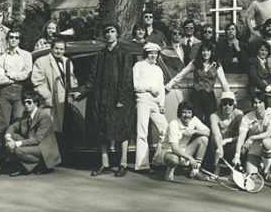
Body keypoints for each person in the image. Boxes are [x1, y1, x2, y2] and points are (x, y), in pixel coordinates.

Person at [86, 23, 135, 177]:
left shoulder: (124, 53)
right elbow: (93, 77)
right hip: (102, 98)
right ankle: (105, 163)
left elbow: (126, 78)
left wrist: (121, 98)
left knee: (121, 131)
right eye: (106, 32)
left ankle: (123, 163)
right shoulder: (100, 54)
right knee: (103, 131)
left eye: (112, 32)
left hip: (119, 99)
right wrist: (82, 91)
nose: (109, 35)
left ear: (117, 34)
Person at [165, 40, 231, 124]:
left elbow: (224, 83)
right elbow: (182, 74)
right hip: (197, 95)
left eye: (208, 50)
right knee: (196, 119)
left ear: (211, 52)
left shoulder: (216, 65)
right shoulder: (195, 63)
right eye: (203, 50)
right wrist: (170, 84)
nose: (205, 53)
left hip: (209, 95)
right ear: (201, 52)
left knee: (211, 119)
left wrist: (229, 96)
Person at [31, 37, 79, 150]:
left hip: (64, 102)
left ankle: (60, 159)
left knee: (63, 131)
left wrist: (74, 90)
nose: (59, 51)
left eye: (61, 49)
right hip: (50, 102)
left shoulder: (67, 61)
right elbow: (37, 82)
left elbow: (71, 79)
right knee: (48, 132)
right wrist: (47, 96)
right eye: (56, 48)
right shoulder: (41, 61)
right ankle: (48, 161)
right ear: (51, 48)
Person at [3, 94, 61, 176]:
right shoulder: (26, 114)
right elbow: (13, 126)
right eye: (24, 103)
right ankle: (29, 165)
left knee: (18, 150)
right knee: (12, 136)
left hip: (43, 147)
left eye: (29, 102)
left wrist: (16, 144)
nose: (26, 104)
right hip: (32, 142)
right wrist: (8, 138)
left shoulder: (43, 116)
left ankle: (41, 163)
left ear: (36, 103)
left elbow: (37, 139)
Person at [0, 28, 33, 146]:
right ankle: (1, 156)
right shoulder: (2, 57)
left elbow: (27, 74)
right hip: (5, 92)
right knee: (2, 124)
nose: (13, 40)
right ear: (7, 39)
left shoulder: (26, 55)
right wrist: (17, 76)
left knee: (19, 122)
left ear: (20, 40)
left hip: (20, 92)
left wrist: (10, 75)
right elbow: (0, 79)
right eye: (11, 37)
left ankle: (17, 154)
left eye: (16, 37)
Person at [133, 42, 168, 173]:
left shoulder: (158, 69)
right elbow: (136, 84)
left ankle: (158, 160)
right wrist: (149, 88)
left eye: (155, 53)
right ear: (146, 54)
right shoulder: (139, 65)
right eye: (150, 53)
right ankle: (142, 165)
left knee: (165, 129)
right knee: (142, 132)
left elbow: (161, 88)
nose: (153, 55)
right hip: (143, 100)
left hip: (155, 103)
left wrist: (162, 104)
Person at [155, 100, 210, 182]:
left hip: (183, 151)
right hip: (167, 153)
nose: (187, 115)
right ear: (180, 113)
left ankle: (195, 172)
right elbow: (174, 148)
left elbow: (208, 132)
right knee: (174, 159)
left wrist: (195, 131)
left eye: (189, 112)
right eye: (184, 112)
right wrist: (190, 158)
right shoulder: (173, 124)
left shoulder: (193, 119)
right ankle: (170, 169)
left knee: (204, 139)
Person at [234, 95, 271, 179]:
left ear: (265, 103)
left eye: (260, 102)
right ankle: (260, 166)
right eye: (255, 103)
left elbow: (268, 133)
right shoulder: (246, 118)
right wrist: (237, 156)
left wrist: (251, 138)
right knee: (252, 176)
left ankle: (267, 170)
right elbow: (241, 137)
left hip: (270, 142)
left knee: (266, 142)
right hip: (255, 146)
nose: (257, 105)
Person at [210, 92, 243, 170]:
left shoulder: (239, 114)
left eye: (230, 104)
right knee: (213, 138)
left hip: (232, 142)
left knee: (240, 143)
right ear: (221, 105)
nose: (227, 106)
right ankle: (216, 168)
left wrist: (227, 141)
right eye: (224, 103)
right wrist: (219, 147)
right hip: (219, 143)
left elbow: (241, 135)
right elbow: (216, 133)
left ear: (234, 105)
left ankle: (235, 167)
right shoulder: (214, 116)